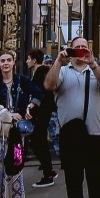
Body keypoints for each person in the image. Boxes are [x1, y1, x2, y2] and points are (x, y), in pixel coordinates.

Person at [45, 36, 100, 198]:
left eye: (84, 47)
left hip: (93, 134)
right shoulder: (63, 72)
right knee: (73, 182)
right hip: (70, 135)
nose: (80, 51)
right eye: (76, 48)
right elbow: (49, 86)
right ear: (70, 50)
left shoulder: (94, 70)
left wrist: (93, 63)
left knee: (97, 183)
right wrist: (58, 61)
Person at [0, 51, 30, 198]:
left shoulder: (22, 81)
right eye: (2, 61)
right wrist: (7, 113)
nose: (5, 63)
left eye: (8, 60)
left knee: (14, 163)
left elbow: (39, 93)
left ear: (14, 62)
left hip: (14, 133)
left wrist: (30, 107)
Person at [25, 48, 57, 187]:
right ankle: (48, 169)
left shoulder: (40, 72)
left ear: (33, 60)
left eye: (28, 58)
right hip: (44, 111)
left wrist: (33, 106)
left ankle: (48, 173)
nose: (26, 61)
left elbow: (41, 93)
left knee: (37, 141)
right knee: (39, 140)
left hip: (41, 112)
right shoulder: (41, 71)